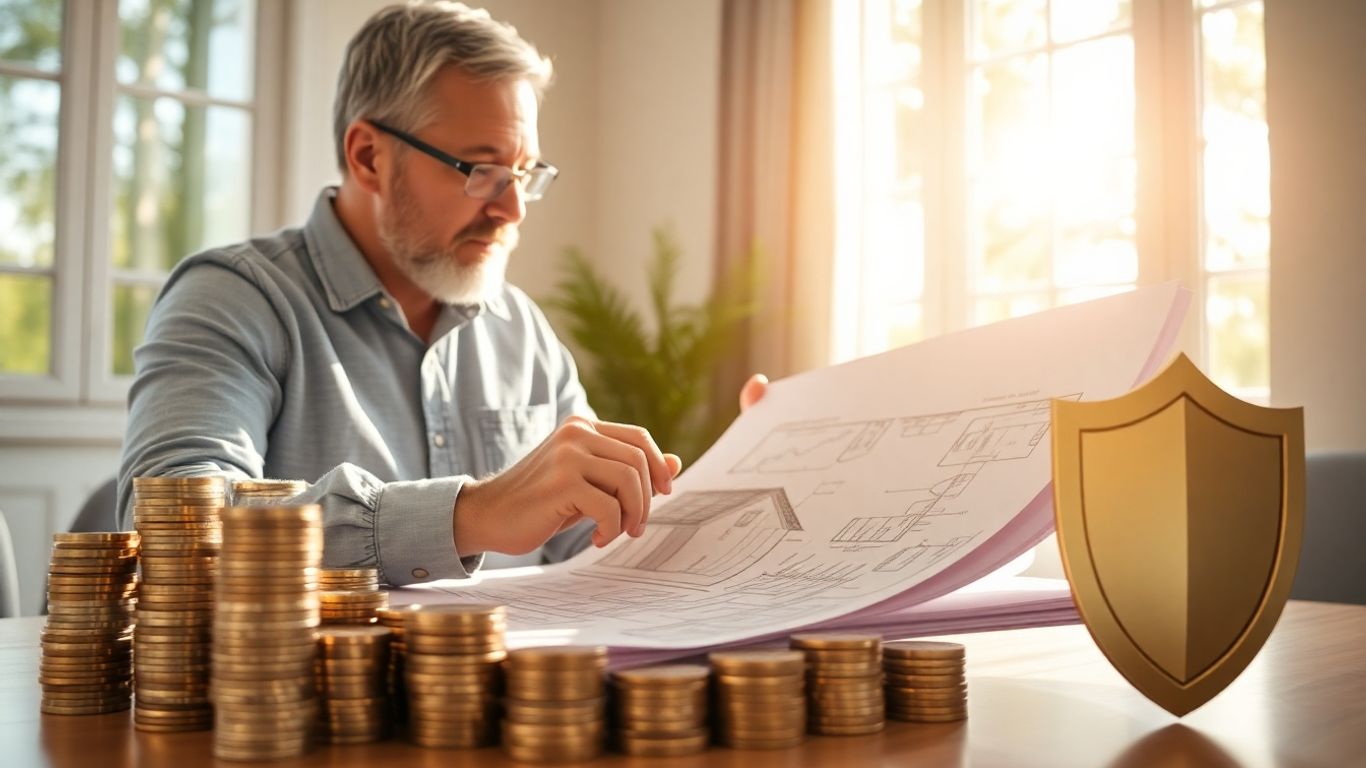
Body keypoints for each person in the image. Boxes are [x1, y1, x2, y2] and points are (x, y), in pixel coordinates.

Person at [116, 2, 766, 586]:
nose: (512, 208)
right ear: (369, 156)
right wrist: (472, 514)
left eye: (524, 173)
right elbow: (173, 534)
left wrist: (753, 475)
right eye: (482, 170)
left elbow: (597, 537)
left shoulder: (522, 330)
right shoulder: (233, 300)